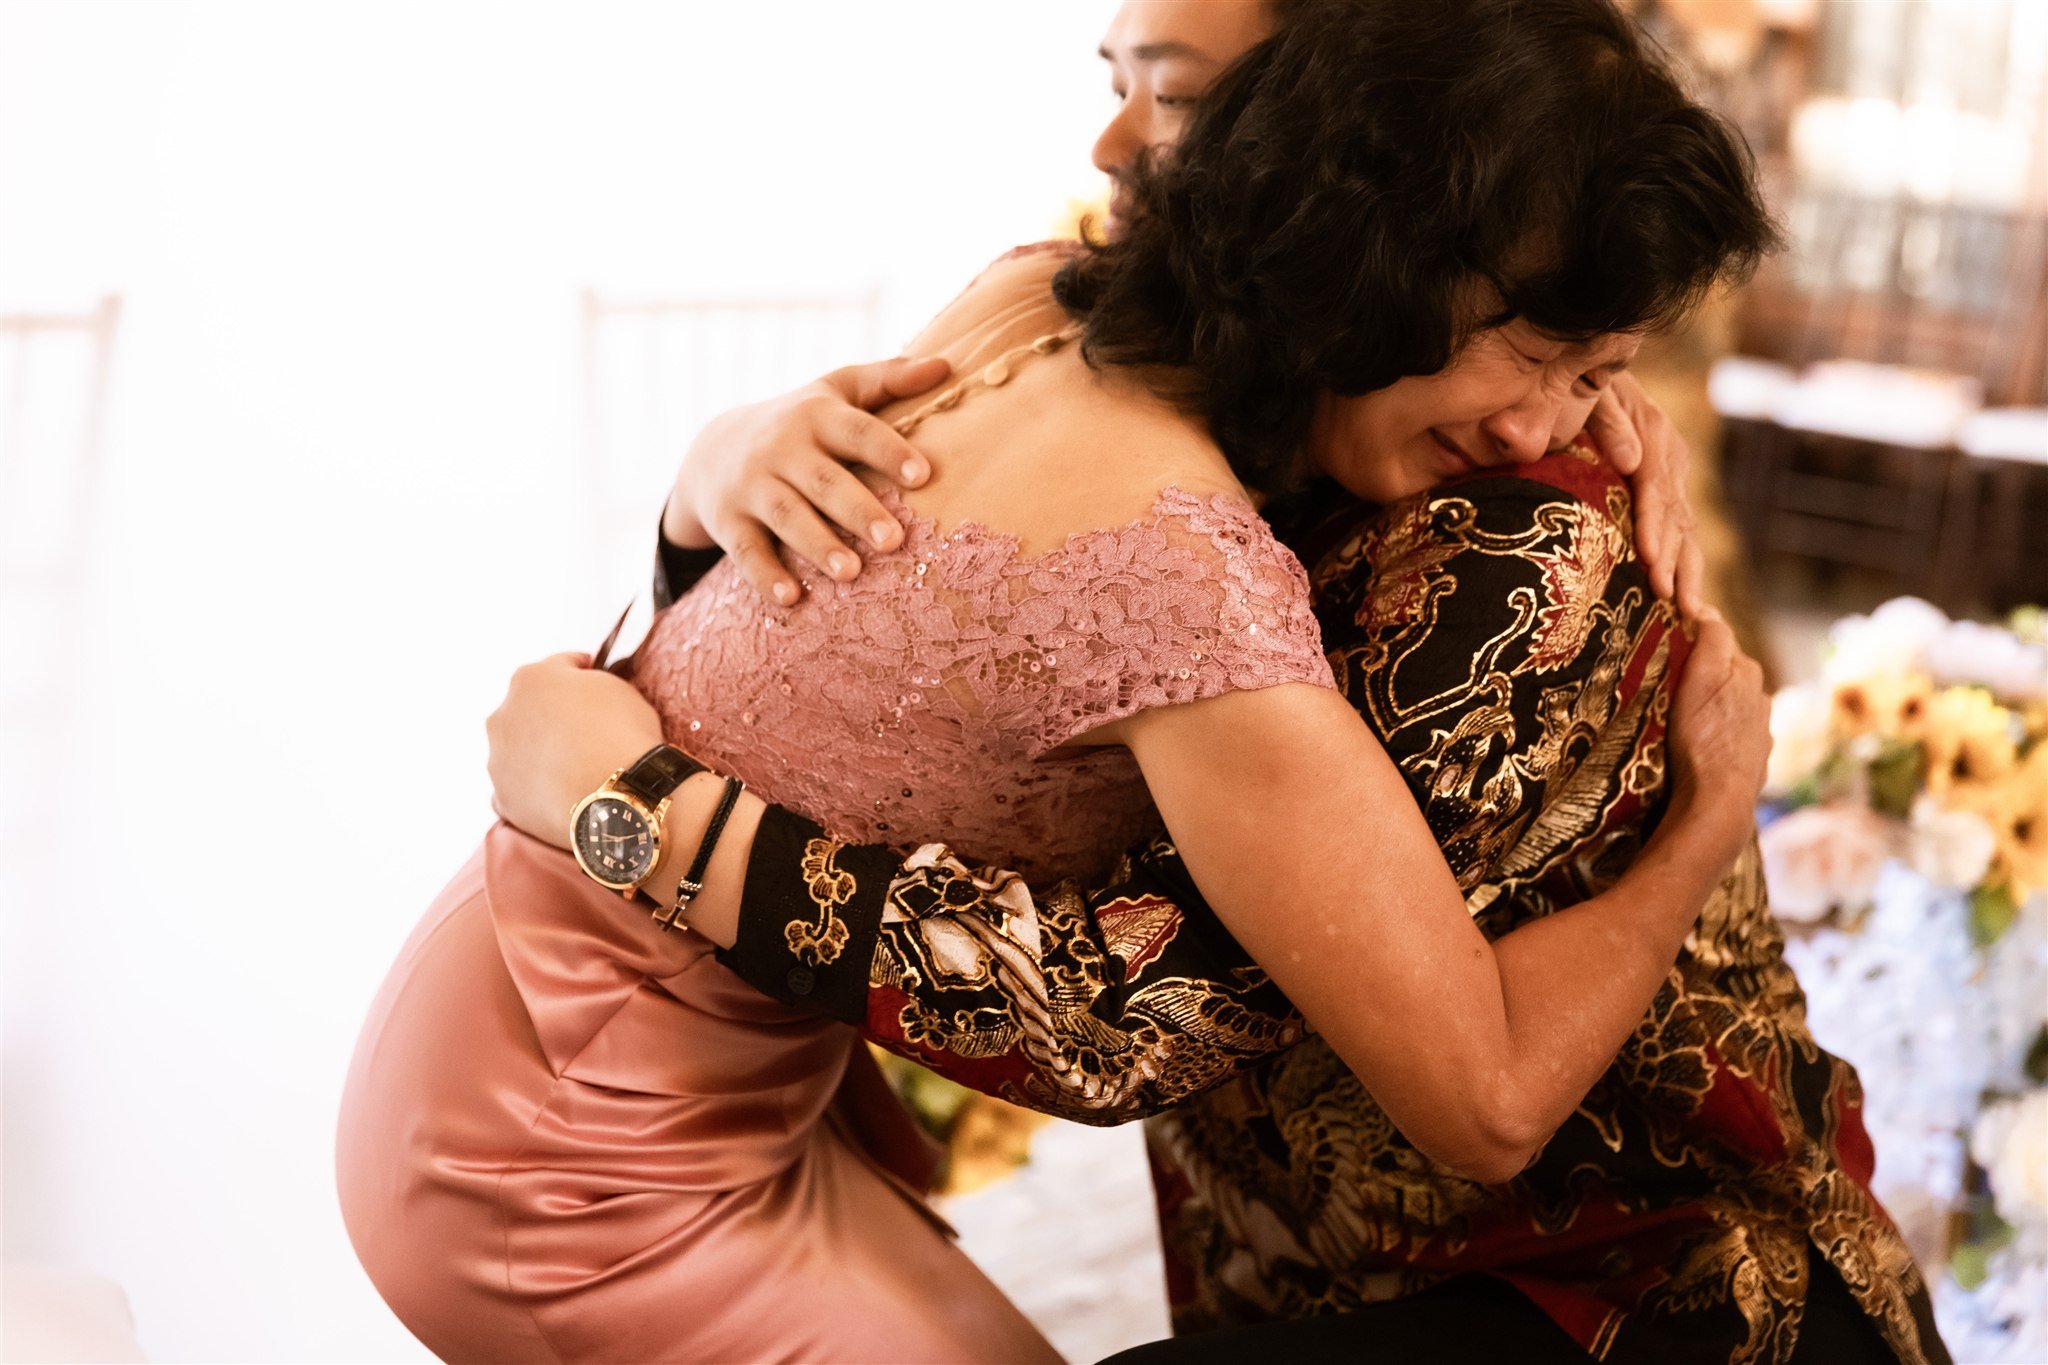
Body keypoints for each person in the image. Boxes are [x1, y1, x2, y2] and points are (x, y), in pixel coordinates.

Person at [483, 3, 1952, 1364]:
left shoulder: (1497, 539)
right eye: (1131, 89)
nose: (1122, 153)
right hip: (1299, 1255)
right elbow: (834, 672)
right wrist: (711, 481)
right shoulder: (1121, 354)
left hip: (1646, 1286)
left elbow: (1135, 1007)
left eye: (1182, 99)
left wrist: (633, 813)